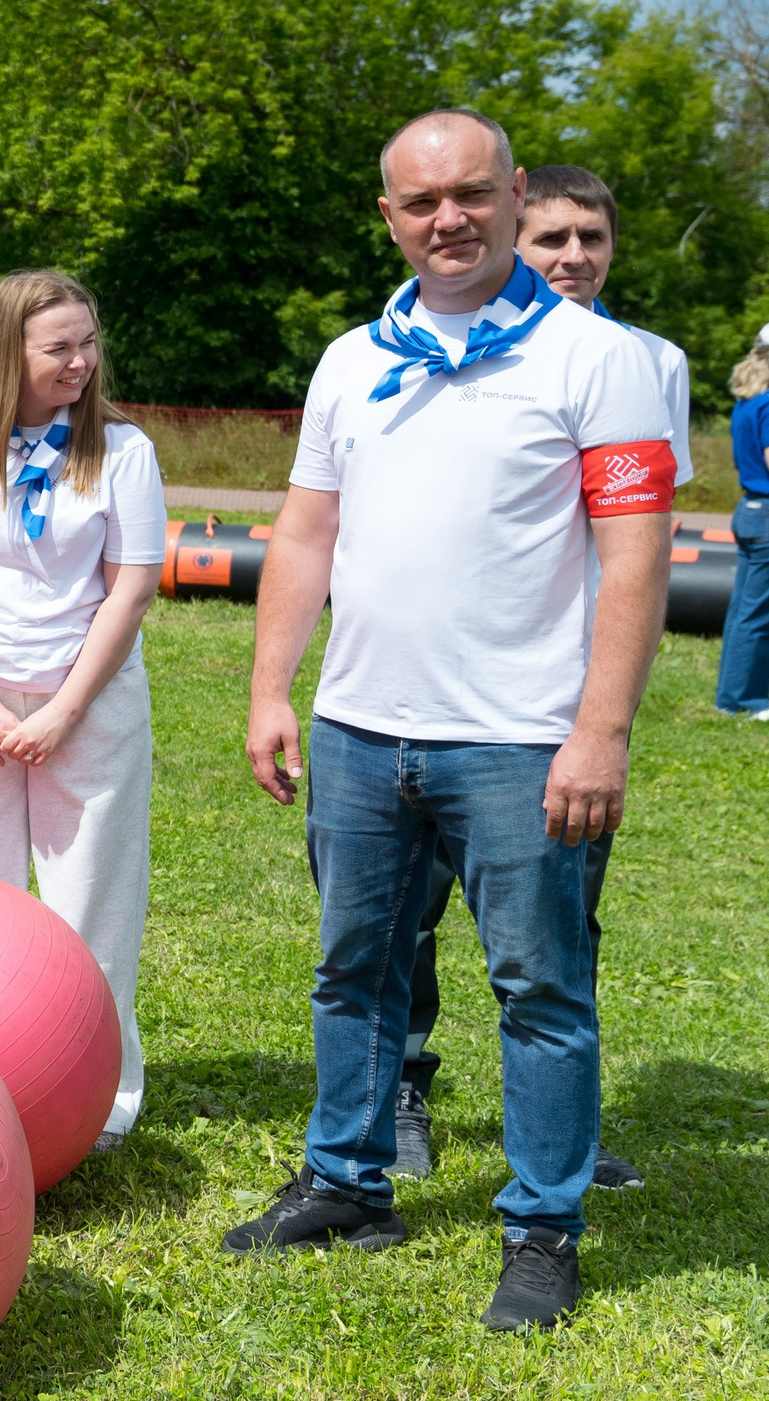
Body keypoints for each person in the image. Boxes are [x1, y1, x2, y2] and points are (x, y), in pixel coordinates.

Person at [231, 108, 673, 1335]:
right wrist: (274, 687)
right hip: (360, 729)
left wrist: (601, 731)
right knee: (352, 969)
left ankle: (540, 1225)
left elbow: (634, 557)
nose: (449, 219)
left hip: (523, 738)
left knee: (538, 984)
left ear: (510, 190)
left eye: (472, 194)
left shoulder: (596, 356)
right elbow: (307, 529)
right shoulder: (346, 358)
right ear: (388, 214)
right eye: (421, 201)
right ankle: (346, 1181)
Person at [392, 163, 687, 1189]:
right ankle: (400, 1089)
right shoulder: (430, 345)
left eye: (590, 240)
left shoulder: (644, 364)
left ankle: (564, 1125)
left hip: (557, 711)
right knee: (406, 912)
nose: (571, 257)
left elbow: (637, 553)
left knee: (561, 927)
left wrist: (602, 715)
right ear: (515, 234)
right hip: (428, 705)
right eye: (551, 237)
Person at [0, 269, 165, 1151]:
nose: (82, 361)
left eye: (89, 343)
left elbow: (130, 589)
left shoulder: (124, 449)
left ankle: (100, 1100)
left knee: (91, 909)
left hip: (88, 702)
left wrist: (63, 711)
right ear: (6, 350)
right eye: (60, 346)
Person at [714, 327, 769, 718]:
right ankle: (745, 700)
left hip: (750, 509)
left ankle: (731, 697)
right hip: (765, 513)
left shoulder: (747, 402)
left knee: (743, 611)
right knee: (756, 613)